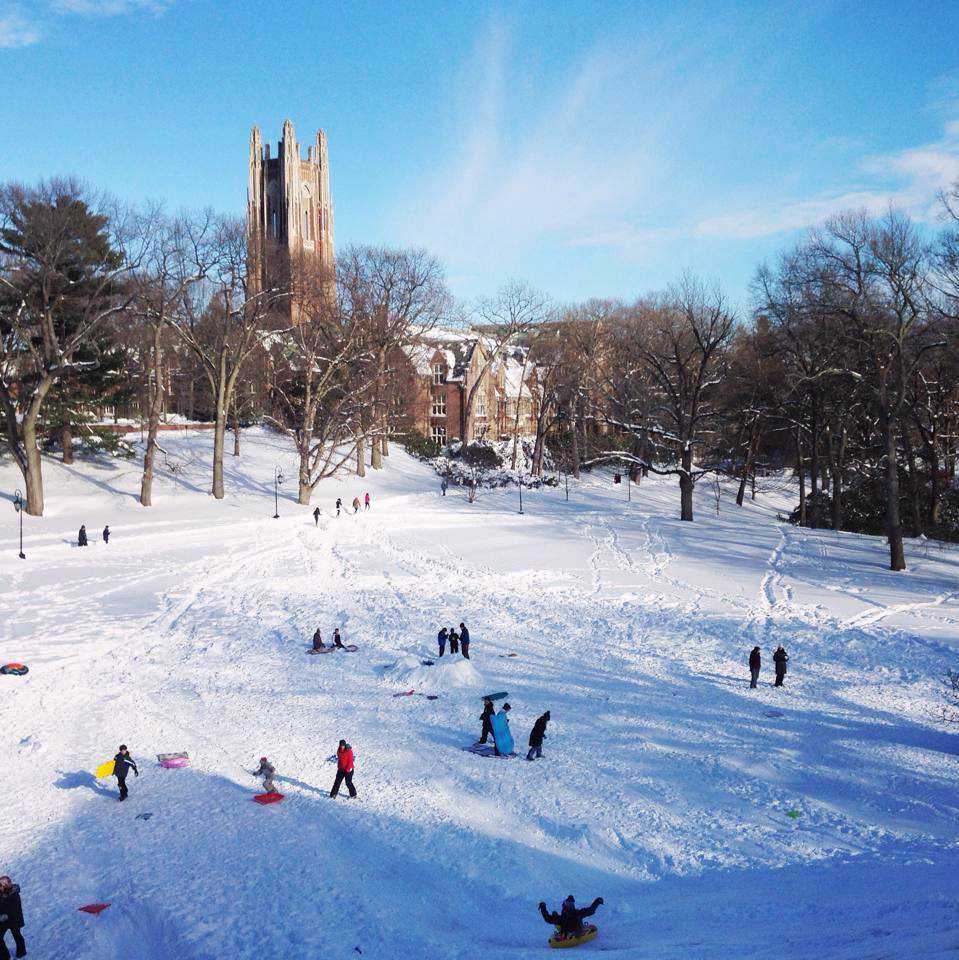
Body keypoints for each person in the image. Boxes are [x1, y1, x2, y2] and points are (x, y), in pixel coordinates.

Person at [539, 896, 604, 939]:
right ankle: (567, 934)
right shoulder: (562, 917)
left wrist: (597, 902)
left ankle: (579, 931)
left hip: (578, 931)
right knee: (556, 916)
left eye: (572, 904)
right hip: (567, 934)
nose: (571, 906)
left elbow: (590, 911)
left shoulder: (577, 913)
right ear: (565, 905)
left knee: (578, 916)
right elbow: (548, 919)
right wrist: (543, 907)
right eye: (569, 904)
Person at [0, 875, 25, 960]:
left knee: (17, 935)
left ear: (5, 885)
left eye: (1, 885)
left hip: (14, 919)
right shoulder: (3, 893)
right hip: (5, 920)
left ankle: (21, 951)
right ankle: (5, 956)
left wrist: (3, 915)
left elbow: (11, 909)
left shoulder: (13, 894)